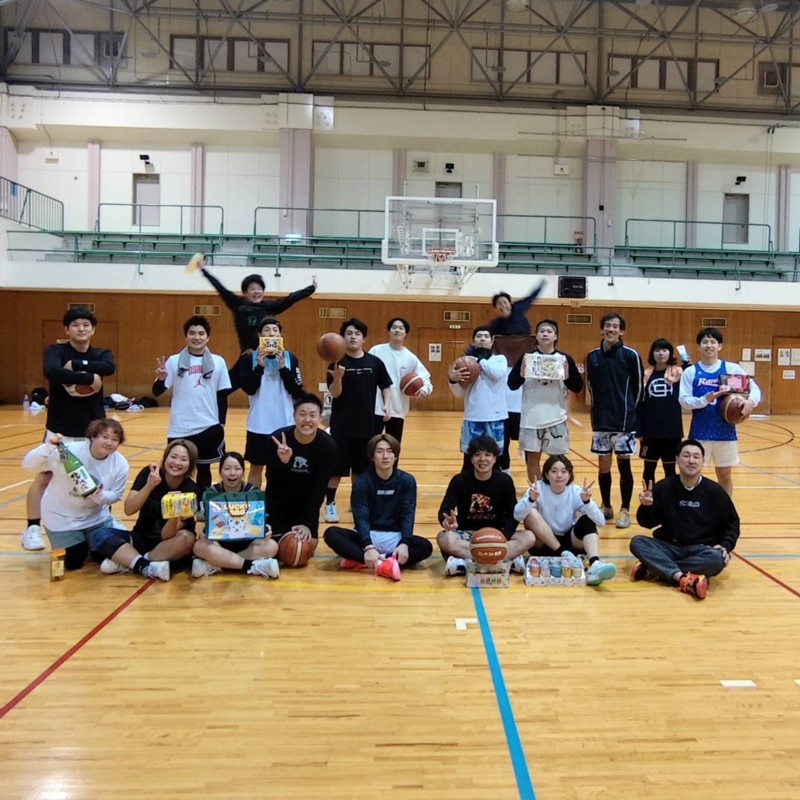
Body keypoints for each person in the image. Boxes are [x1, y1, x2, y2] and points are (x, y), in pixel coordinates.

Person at [20, 306, 116, 551]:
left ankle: (105, 521)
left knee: (98, 477)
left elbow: (108, 367)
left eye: (86, 325)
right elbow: (52, 371)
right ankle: (32, 528)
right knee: (44, 476)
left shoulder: (102, 353)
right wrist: (88, 377)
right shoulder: (55, 351)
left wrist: (74, 367)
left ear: (93, 329)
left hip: (92, 429)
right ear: (66, 329)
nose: (81, 329)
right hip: (60, 427)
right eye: (75, 325)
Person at [630, 439, 740, 600]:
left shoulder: (715, 491)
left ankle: (656, 569)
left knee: (717, 559)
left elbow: (732, 523)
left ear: (702, 462)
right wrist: (646, 506)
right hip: (669, 546)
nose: (691, 460)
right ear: (677, 460)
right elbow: (647, 523)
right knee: (637, 542)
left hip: (700, 549)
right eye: (686, 455)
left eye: (696, 457)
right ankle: (684, 578)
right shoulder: (665, 487)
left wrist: (726, 545)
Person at [20, 419, 134, 574]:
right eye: (104, 437)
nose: (109, 443)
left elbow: (116, 495)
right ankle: (80, 541)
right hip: (62, 518)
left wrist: (100, 495)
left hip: (96, 518)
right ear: (92, 437)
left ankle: (98, 534)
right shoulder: (68, 452)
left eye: (115, 439)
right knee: (73, 561)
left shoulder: (120, 463)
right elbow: (28, 464)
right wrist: (47, 448)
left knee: (104, 554)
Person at [323, 434, 433, 580]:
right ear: (372, 457)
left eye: (390, 451)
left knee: (425, 547)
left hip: (395, 536)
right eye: (380, 451)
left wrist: (404, 543)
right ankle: (384, 563)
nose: (385, 456)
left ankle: (365, 560)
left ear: (396, 456)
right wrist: (368, 546)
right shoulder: (362, 482)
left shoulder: (407, 481)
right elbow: (361, 516)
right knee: (331, 534)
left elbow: (408, 513)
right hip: (368, 536)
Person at [153, 315, 231, 498]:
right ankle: (176, 507)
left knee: (204, 469)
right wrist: (161, 379)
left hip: (208, 426)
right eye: (192, 333)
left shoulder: (218, 362)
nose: (197, 337)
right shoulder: (174, 361)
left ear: (208, 337)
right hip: (180, 427)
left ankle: (202, 505)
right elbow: (157, 391)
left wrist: (221, 423)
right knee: (177, 471)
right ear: (186, 336)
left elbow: (222, 395)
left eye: (201, 333)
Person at [679, 327, 760, 497]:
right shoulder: (691, 372)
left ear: (720, 346)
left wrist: (750, 402)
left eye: (713, 342)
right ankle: (692, 507)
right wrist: (704, 400)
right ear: (698, 346)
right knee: (691, 474)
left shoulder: (730, 369)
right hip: (699, 431)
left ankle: (725, 509)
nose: (709, 345)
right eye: (705, 342)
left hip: (725, 432)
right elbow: (684, 401)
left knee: (724, 475)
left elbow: (754, 389)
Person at [436, 435, 533, 577]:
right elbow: (444, 510)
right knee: (444, 538)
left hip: (498, 533)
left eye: (487, 454)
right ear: (471, 459)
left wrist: (502, 538)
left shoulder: (505, 481)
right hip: (467, 534)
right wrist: (446, 521)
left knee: (529, 537)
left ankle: (467, 563)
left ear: (494, 458)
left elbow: (512, 515)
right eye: (477, 455)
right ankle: (503, 560)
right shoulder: (459, 480)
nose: (482, 459)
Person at [325, 318, 392, 522]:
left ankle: (357, 503)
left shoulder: (374, 362)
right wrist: (338, 377)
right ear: (342, 338)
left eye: (357, 333)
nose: (353, 337)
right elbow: (334, 394)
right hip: (341, 427)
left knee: (361, 472)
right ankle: (329, 505)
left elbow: (386, 386)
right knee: (335, 471)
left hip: (367, 427)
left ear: (364, 338)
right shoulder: (336, 362)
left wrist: (387, 404)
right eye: (349, 333)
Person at [513, 454, 616, 586]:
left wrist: (587, 502)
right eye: (554, 471)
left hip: (571, 545)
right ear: (546, 474)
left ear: (569, 474)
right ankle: (561, 552)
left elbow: (601, 522)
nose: (559, 475)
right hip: (544, 543)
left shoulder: (576, 491)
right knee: (530, 513)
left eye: (563, 471)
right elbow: (517, 515)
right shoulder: (537, 488)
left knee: (587, 520)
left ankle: (595, 564)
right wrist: (530, 500)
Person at [106, 439, 200, 581]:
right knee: (101, 534)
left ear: (190, 464)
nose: (177, 463)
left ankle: (138, 562)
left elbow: (166, 536)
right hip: (141, 537)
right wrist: (149, 486)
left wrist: (174, 516)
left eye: (183, 459)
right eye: (173, 457)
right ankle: (143, 563)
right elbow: (129, 509)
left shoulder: (190, 490)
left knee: (187, 539)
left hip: (169, 545)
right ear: (165, 458)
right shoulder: (149, 474)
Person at [585, 312, 643, 530]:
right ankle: (606, 506)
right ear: (601, 330)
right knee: (603, 467)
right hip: (601, 421)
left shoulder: (630, 355)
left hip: (623, 422)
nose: (611, 329)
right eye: (607, 325)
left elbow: (639, 389)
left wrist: (633, 416)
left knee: (624, 466)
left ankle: (625, 510)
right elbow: (591, 386)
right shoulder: (592, 356)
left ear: (621, 331)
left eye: (615, 326)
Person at [262, 393, 339, 558]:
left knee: (305, 550)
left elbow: (319, 489)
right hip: (278, 504)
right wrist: (284, 462)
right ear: (294, 416)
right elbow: (272, 484)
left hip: (306, 506)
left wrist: (306, 522)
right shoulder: (276, 440)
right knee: (273, 548)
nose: (307, 420)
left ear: (320, 418)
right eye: (302, 414)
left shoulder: (328, 447)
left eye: (312, 415)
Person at [508, 319, 583, 483]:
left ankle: (555, 492)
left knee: (558, 461)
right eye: (542, 331)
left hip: (556, 418)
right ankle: (537, 493)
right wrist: (521, 375)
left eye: (549, 331)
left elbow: (578, 386)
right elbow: (511, 385)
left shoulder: (564, 359)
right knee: (532, 460)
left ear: (556, 336)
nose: (545, 334)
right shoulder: (527, 358)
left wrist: (567, 377)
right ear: (536, 335)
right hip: (531, 419)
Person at [236, 316, 304, 487]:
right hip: (258, 423)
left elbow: (297, 390)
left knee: (282, 466)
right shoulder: (248, 358)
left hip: (284, 423)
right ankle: (255, 500)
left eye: (275, 330)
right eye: (266, 330)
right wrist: (259, 366)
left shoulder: (290, 358)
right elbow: (250, 389)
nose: (271, 333)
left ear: (280, 335)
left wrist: (283, 369)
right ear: (260, 335)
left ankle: (279, 501)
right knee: (256, 467)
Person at [190, 452, 280, 579]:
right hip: (220, 544)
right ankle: (250, 565)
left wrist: (265, 529)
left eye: (237, 469)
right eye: (227, 468)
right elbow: (211, 523)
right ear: (220, 472)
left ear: (243, 472)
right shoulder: (211, 494)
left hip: (246, 544)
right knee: (198, 547)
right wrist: (205, 534)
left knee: (272, 546)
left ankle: (216, 564)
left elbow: (257, 521)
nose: (232, 473)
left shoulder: (253, 492)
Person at [199, 266, 317, 353]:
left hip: (268, 352)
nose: (256, 291)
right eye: (252, 289)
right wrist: (203, 270)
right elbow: (220, 287)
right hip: (247, 353)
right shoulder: (237, 304)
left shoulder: (268, 306)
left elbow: (290, 298)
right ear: (245, 292)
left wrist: (311, 288)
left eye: (259, 289)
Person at [448, 326, 508, 471]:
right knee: (469, 459)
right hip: (473, 416)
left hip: (495, 417)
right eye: (479, 336)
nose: (482, 339)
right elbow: (459, 393)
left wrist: (479, 361)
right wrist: (453, 380)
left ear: (492, 341)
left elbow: (497, 374)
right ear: (473, 341)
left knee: (495, 459)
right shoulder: (464, 363)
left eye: (486, 336)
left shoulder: (499, 360)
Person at [369, 317, 433, 444]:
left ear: (405, 333)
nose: (397, 330)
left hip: (397, 409)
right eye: (394, 327)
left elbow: (426, 378)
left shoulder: (410, 357)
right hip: (375, 408)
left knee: (394, 447)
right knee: (370, 446)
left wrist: (424, 389)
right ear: (389, 331)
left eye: (400, 328)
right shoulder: (376, 350)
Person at [638, 338, 684, 488]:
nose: (660, 353)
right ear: (652, 353)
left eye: (664, 350)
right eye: (657, 350)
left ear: (670, 353)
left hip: (672, 431)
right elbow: (640, 404)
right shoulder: (646, 375)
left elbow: (691, 379)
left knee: (670, 469)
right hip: (650, 431)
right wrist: (639, 429)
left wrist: (687, 364)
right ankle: (648, 496)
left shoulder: (678, 373)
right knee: (648, 469)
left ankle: (669, 497)